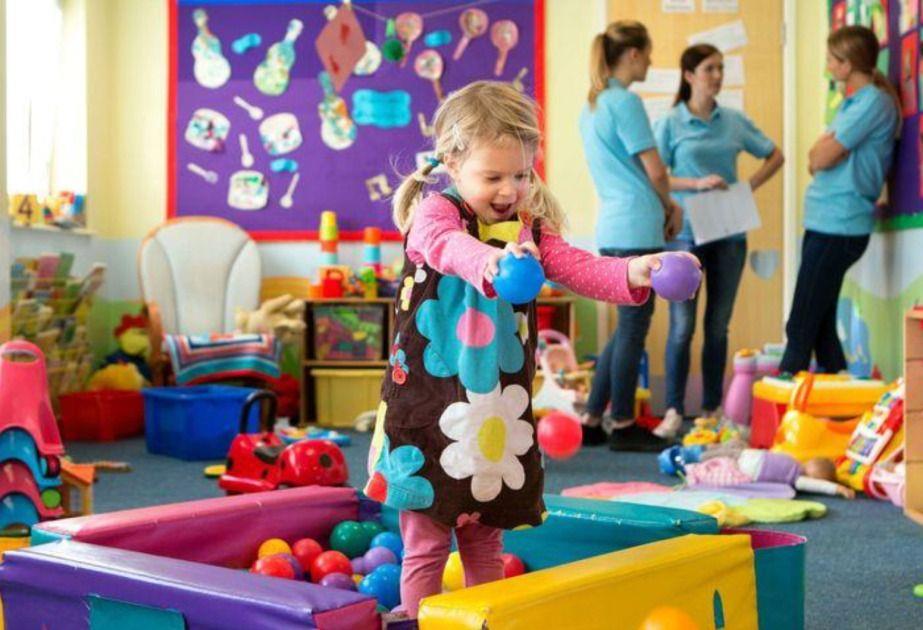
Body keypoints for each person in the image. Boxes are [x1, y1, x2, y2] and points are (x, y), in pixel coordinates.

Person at [364, 81, 666, 618]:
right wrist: (492, 262)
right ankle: (422, 622)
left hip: (496, 412)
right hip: (429, 405)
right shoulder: (436, 213)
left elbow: (578, 267)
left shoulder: (530, 229)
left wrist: (633, 271)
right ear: (453, 163)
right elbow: (447, 248)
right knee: (427, 542)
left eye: (521, 175)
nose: (510, 189)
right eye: (493, 177)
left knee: (486, 540)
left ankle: (488, 621)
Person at [653, 44, 784, 436]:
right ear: (689, 75)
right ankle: (673, 410)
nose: (717, 76)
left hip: (728, 231)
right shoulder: (671, 122)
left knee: (717, 327)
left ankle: (711, 409)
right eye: (709, 68)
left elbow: (775, 156)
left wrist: (746, 189)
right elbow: (656, 176)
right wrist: (696, 184)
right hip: (684, 236)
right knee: (682, 327)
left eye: (721, 68)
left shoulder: (734, 121)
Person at [579, 20, 685, 451]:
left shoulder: (592, 105)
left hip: (612, 227)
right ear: (633, 54)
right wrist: (671, 206)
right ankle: (622, 424)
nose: (652, 62)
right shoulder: (625, 101)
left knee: (626, 326)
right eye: (648, 53)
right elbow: (656, 171)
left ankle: (591, 418)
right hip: (638, 226)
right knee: (634, 328)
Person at [780, 25, 899, 375]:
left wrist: (824, 152)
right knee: (819, 326)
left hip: (840, 225)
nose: (828, 66)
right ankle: (836, 396)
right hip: (825, 222)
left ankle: (783, 398)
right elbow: (817, 156)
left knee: (801, 324)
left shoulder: (873, 102)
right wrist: (823, 152)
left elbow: (820, 157)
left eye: (832, 60)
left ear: (848, 64)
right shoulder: (853, 103)